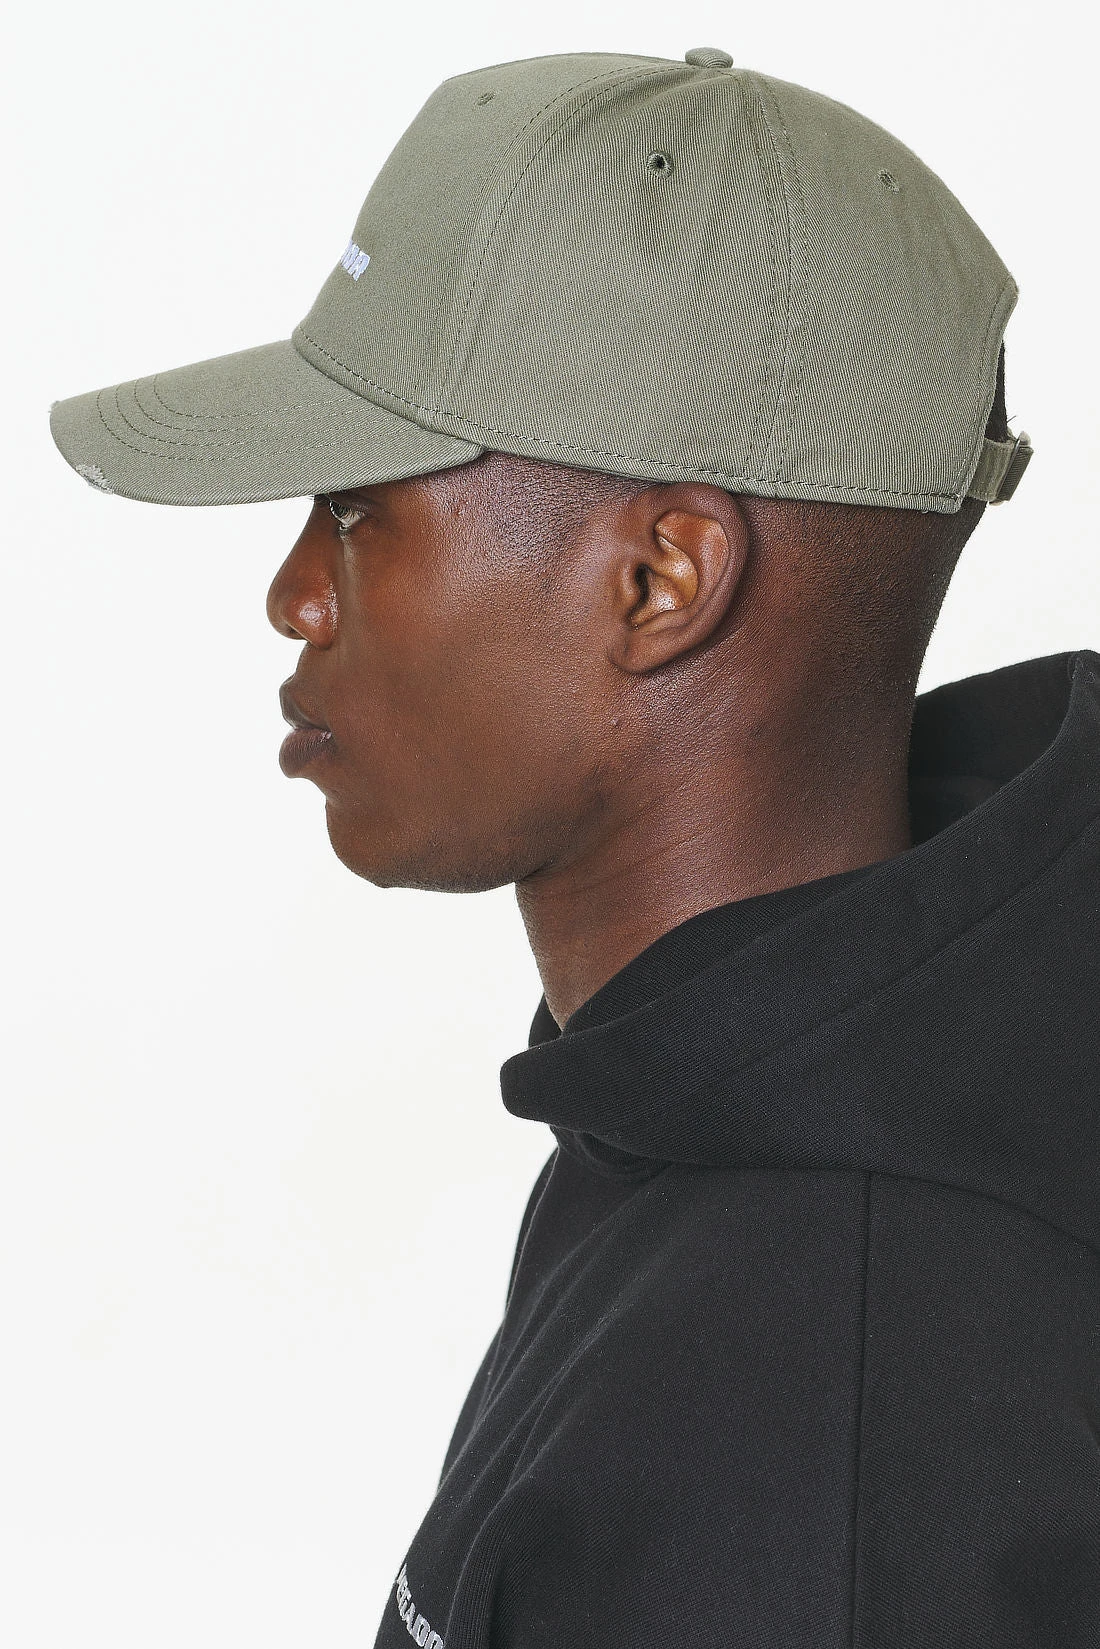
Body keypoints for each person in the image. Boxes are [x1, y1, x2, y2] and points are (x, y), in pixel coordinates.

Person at [49, 45, 1100, 1649]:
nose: (295, 594)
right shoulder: (721, 1097)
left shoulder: (822, 1435)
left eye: (359, 508)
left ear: (660, 583)